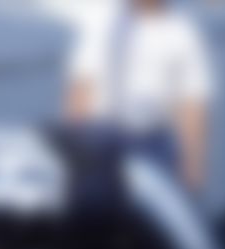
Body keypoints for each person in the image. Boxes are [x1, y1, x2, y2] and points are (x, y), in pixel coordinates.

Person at [65, 0, 215, 194]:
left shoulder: (182, 32)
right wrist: (73, 150)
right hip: (100, 142)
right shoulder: (102, 23)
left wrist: (194, 165)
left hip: (153, 144)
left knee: (149, 217)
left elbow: (193, 103)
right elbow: (81, 86)